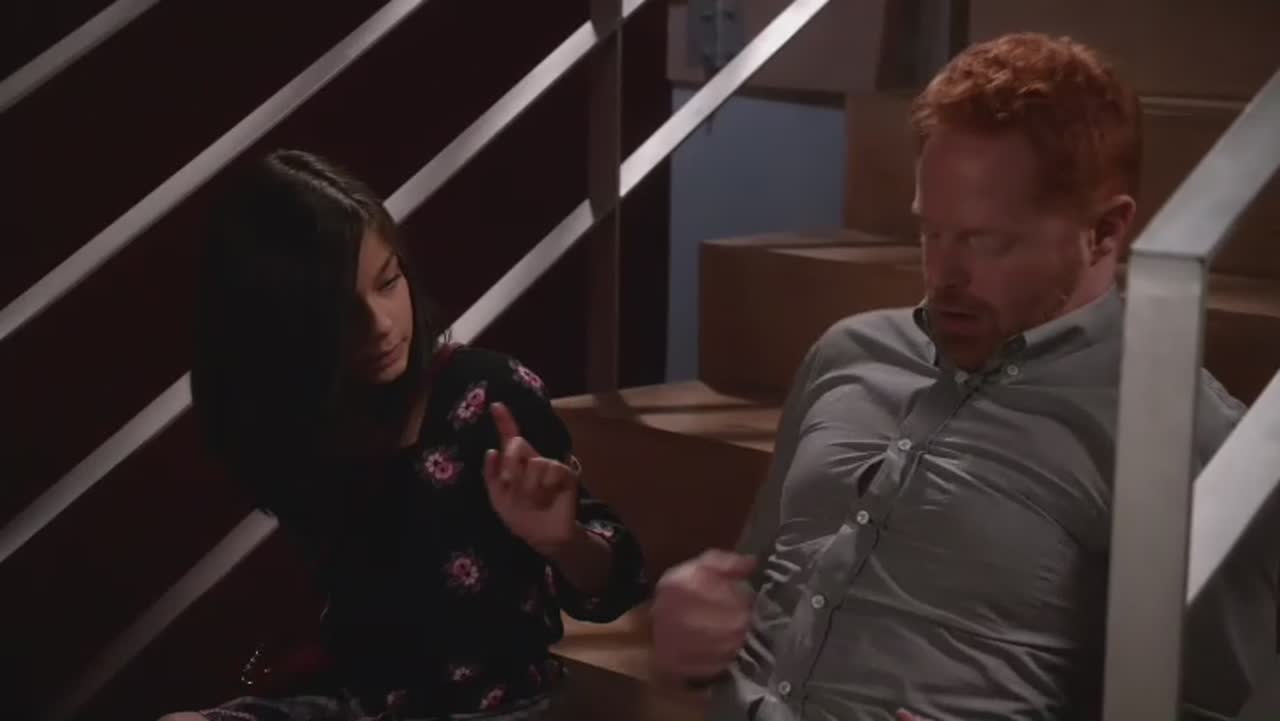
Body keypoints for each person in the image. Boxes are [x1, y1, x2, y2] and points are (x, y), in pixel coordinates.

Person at [651, 33, 1278, 720]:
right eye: (931, 233)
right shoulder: (849, 352)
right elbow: (750, 586)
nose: (944, 275)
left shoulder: (1181, 435)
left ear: (1104, 231)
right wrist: (690, 638)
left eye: (986, 240)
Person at [161, 149, 650, 721]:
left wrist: (563, 541)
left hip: (494, 706)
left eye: (388, 282)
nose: (382, 324)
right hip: (355, 704)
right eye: (341, 310)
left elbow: (618, 584)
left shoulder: (489, 395)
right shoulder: (303, 421)